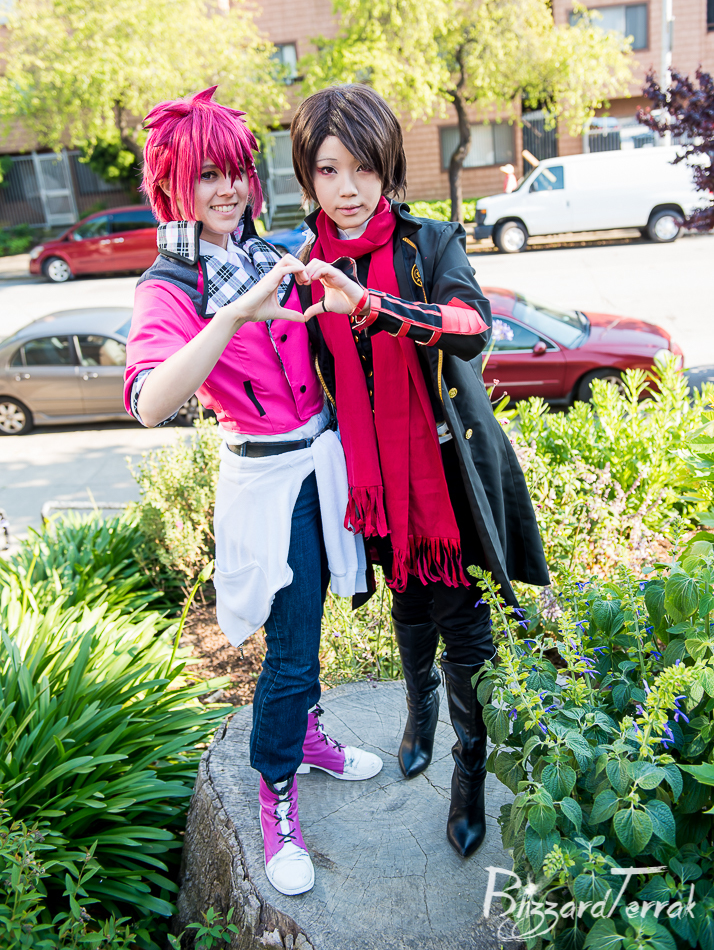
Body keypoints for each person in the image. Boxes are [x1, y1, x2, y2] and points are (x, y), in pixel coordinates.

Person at [123, 86, 383, 898]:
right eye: (207, 174)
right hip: (267, 480)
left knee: (314, 623)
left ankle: (304, 737)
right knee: (292, 649)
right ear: (173, 183)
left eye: (235, 170)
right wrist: (231, 316)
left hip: (320, 462)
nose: (228, 188)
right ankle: (276, 792)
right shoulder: (169, 285)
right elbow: (148, 401)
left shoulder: (271, 252)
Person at [289, 83, 550, 858]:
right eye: (329, 170)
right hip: (371, 478)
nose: (347, 188)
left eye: (363, 168)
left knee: (464, 625)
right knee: (407, 599)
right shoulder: (301, 263)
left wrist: (373, 305)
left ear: (388, 166)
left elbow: (472, 328)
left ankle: (467, 768)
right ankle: (419, 706)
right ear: (307, 174)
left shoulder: (428, 242)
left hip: (444, 474)